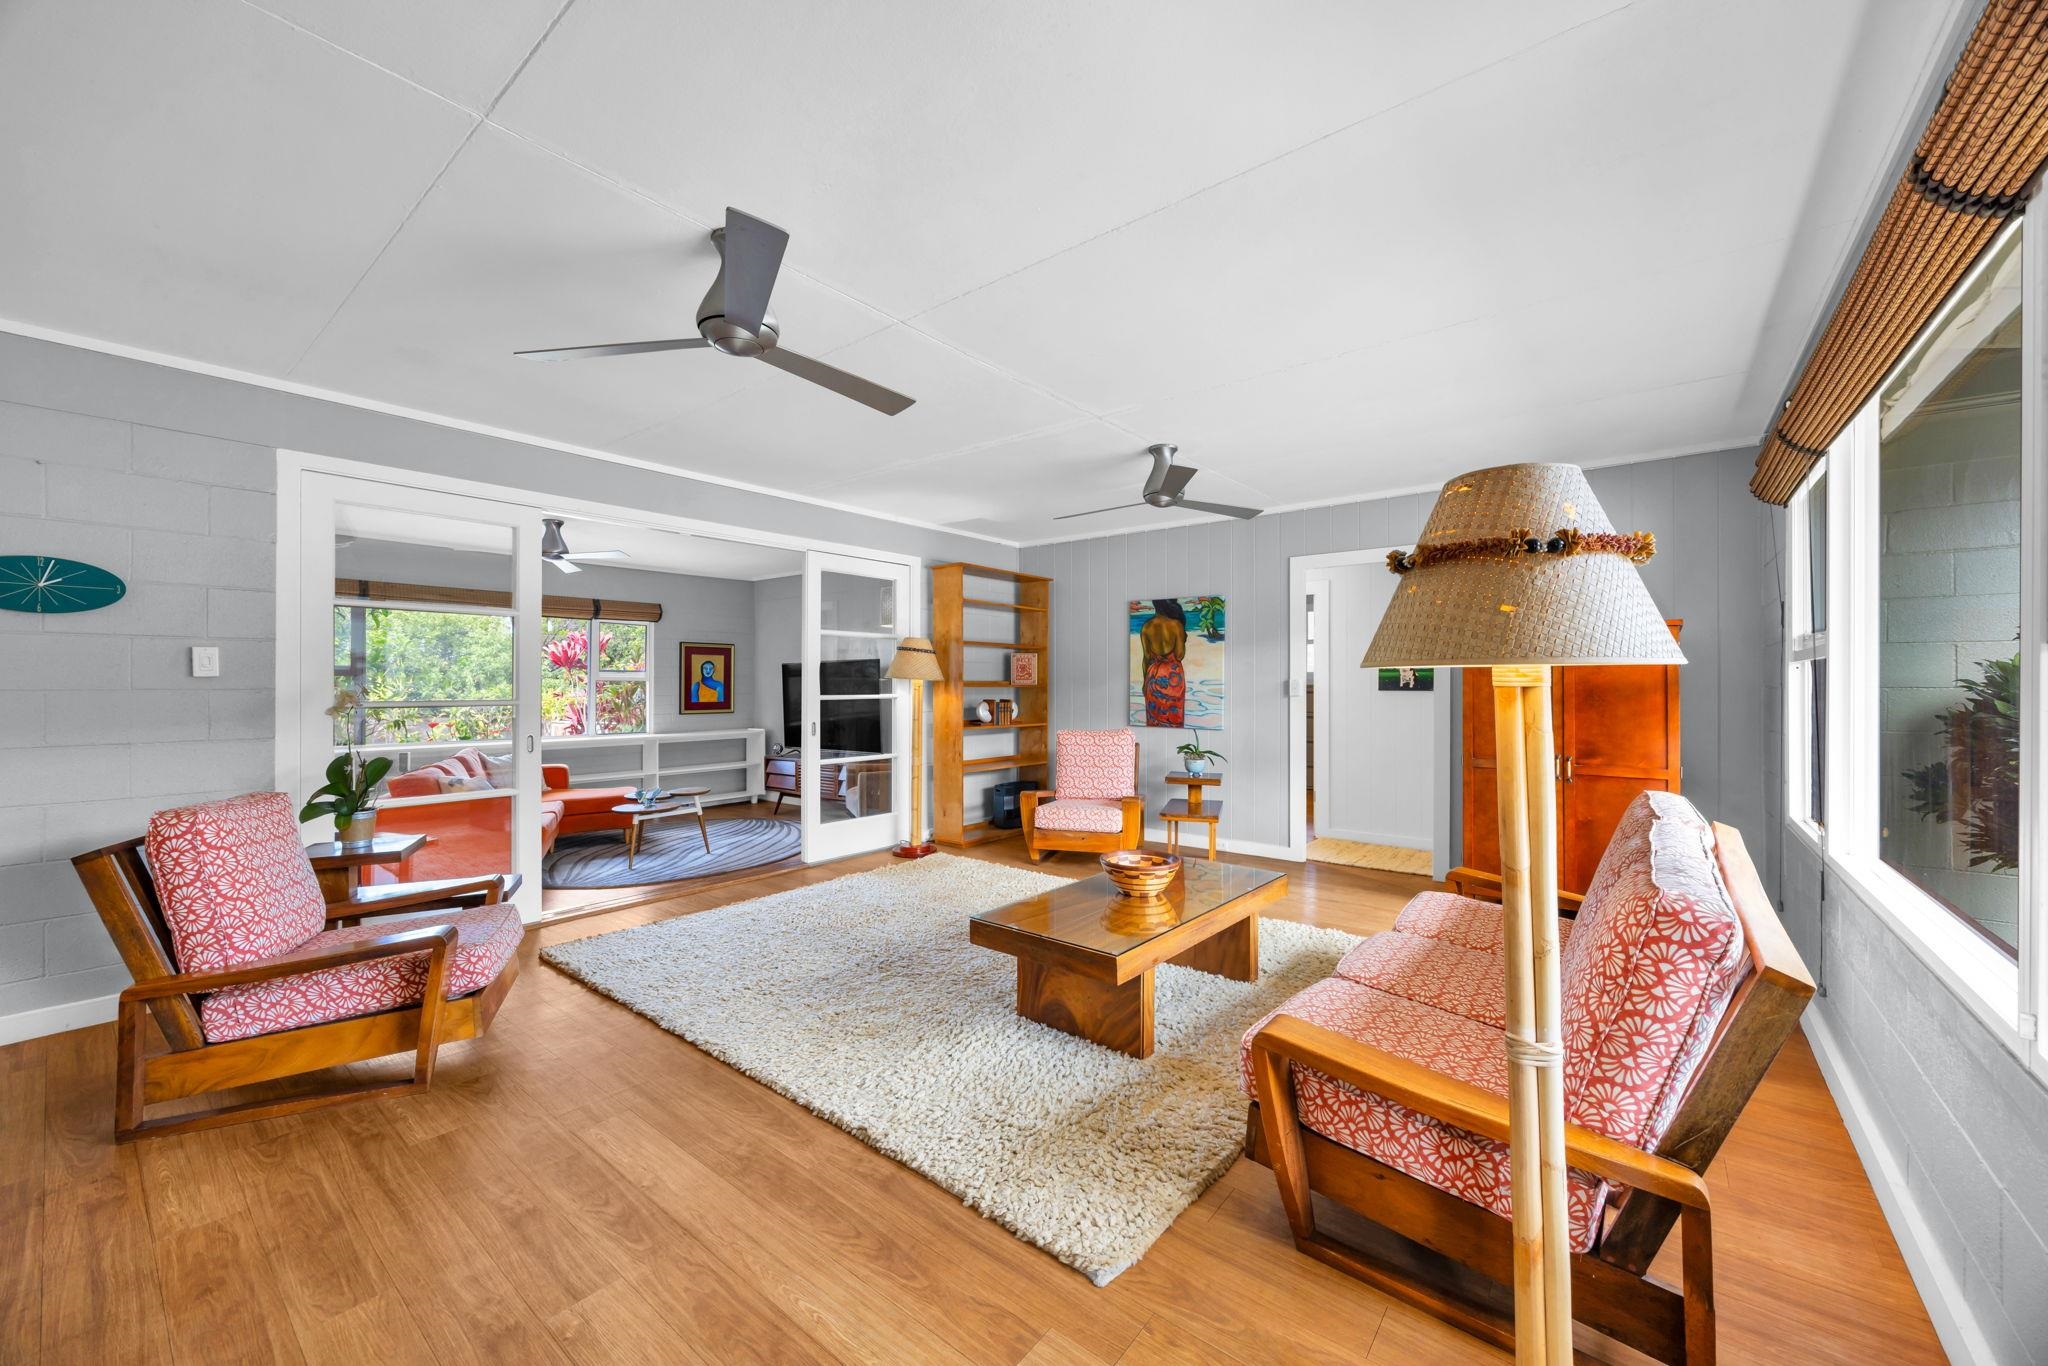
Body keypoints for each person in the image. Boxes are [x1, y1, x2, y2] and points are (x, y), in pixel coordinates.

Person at [1139, 598, 1187, 727]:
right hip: (1173, 679)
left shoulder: (1146, 627)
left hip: (1153, 678)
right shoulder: (1176, 625)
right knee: (1174, 720)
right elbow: (1179, 655)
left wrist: (1144, 683)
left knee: (1153, 720)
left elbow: (1146, 658)